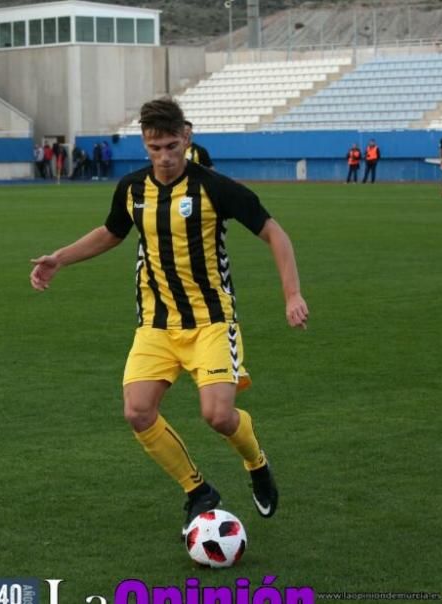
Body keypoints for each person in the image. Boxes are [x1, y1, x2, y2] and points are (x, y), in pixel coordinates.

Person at [30, 98, 309, 536]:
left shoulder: (214, 187)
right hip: (156, 325)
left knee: (217, 416)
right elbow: (111, 232)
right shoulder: (132, 189)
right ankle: (198, 491)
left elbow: (274, 233)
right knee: (137, 411)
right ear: (145, 143)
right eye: (155, 147)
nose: (164, 156)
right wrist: (59, 259)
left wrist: (292, 295)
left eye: (172, 146)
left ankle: (256, 462)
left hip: (211, 322)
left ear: (187, 137)